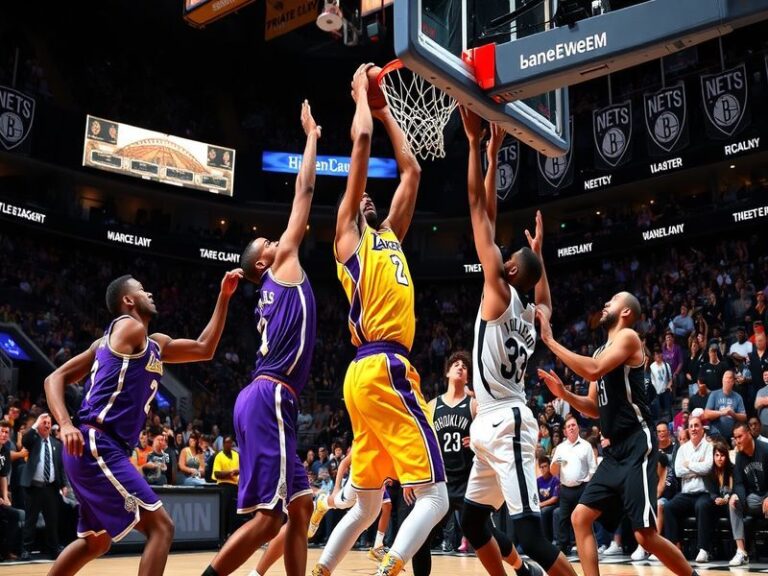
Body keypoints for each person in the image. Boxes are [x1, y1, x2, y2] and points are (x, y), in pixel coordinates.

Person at [312, 64, 447, 576]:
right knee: (435, 500)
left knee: (367, 506)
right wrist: (360, 97)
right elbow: (362, 142)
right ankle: (386, 570)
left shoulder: (389, 232)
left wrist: (389, 109)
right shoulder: (349, 237)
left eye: (371, 195)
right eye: (359, 196)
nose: (366, 196)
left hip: (366, 376)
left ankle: (321, 570)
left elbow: (411, 171)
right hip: (384, 365)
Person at [43, 267, 242, 576]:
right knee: (162, 527)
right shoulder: (126, 326)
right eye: (142, 289)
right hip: (96, 441)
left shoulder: (154, 344)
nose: (150, 293)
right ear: (128, 300)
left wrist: (223, 296)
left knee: (96, 542)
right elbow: (54, 378)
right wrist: (65, 424)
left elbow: (205, 349)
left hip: (99, 449)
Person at [203, 100, 321, 576]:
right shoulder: (283, 264)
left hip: (269, 395)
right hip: (270, 393)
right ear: (261, 263)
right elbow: (306, 189)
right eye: (268, 244)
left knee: (302, 507)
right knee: (269, 518)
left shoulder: (269, 287)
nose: (278, 240)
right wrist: (311, 136)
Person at [459, 107, 574, 576]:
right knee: (472, 520)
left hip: (507, 423)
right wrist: (540, 256)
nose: (500, 252)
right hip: (491, 424)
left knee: (528, 534)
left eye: (507, 256)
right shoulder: (530, 311)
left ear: (508, 272)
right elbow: (543, 295)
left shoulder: (499, 293)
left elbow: (478, 210)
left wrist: (475, 146)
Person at [538, 292, 700, 576]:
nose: (605, 304)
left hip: (638, 441)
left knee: (644, 535)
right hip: (614, 452)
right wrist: (564, 393)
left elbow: (594, 370)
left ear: (625, 312)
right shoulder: (601, 350)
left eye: (611, 301)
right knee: (580, 517)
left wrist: (551, 341)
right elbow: (593, 408)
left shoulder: (628, 338)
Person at [408, 351, 475, 576]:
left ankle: (517, 565)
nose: (460, 367)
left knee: (485, 536)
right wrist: (411, 478)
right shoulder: (433, 405)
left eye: (464, 367)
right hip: (441, 483)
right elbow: (419, 443)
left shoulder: (474, 405)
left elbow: (488, 434)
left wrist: (476, 440)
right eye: (455, 364)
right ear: (447, 372)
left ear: (468, 377)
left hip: (468, 481)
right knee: (422, 536)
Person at [20, 412, 64, 560]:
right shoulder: (33, 440)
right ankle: (26, 550)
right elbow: (25, 440)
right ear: (39, 425)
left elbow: (59, 466)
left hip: (51, 487)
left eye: (48, 423)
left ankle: (54, 550)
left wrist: (63, 484)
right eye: (43, 423)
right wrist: (34, 424)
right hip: (33, 487)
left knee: (52, 520)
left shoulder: (57, 444)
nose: (46, 425)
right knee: (30, 520)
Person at [551, 416, 597, 556]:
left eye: (573, 425)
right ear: (565, 431)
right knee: (563, 519)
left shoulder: (586, 446)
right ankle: (562, 548)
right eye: (568, 426)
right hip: (565, 489)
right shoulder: (560, 448)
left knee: (582, 519)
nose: (571, 427)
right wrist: (556, 463)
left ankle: (585, 545)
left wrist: (587, 483)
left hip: (582, 488)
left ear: (578, 428)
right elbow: (554, 472)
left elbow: (593, 469)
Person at [730, 422, 768, 566]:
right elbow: (738, 483)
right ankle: (741, 552)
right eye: (735, 437)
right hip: (754, 499)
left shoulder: (765, 449)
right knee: (733, 503)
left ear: (749, 434)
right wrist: (738, 497)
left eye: (740, 436)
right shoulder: (739, 457)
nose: (737, 441)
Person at [703, 370, 746, 440]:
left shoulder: (738, 397)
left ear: (733, 382)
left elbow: (744, 417)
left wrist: (733, 414)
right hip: (716, 434)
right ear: (722, 380)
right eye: (725, 378)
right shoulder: (714, 394)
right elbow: (706, 414)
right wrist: (721, 412)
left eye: (729, 379)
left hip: (732, 435)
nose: (727, 381)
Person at [212, 436, 240, 538]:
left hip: (234, 486)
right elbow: (217, 473)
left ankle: (231, 535)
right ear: (223, 444)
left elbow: (241, 470)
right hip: (223, 487)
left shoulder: (236, 455)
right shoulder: (219, 456)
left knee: (233, 513)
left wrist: (235, 472)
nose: (228, 445)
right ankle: (222, 536)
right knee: (223, 511)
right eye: (226, 443)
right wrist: (230, 473)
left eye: (230, 443)